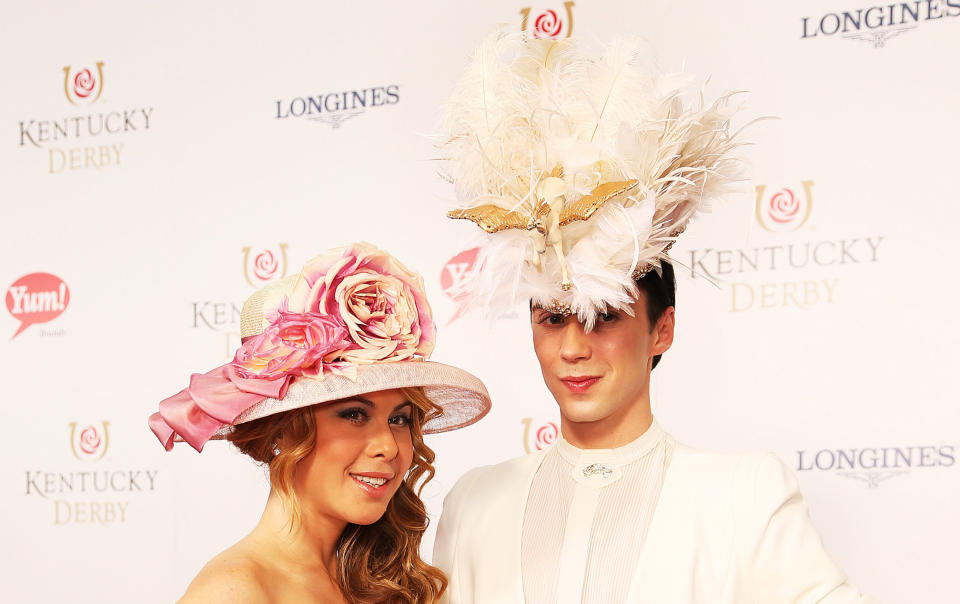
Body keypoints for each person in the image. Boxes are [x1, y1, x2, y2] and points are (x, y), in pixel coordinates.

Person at [431, 34, 878, 602]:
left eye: (605, 318)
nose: (573, 348)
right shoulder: (473, 502)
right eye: (552, 319)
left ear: (662, 328)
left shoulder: (745, 495)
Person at [148, 242, 490, 604]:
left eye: (399, 419)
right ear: (281, 426)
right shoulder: (233, 593)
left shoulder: (376, 584)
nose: (389, 446)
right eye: (354, 414)